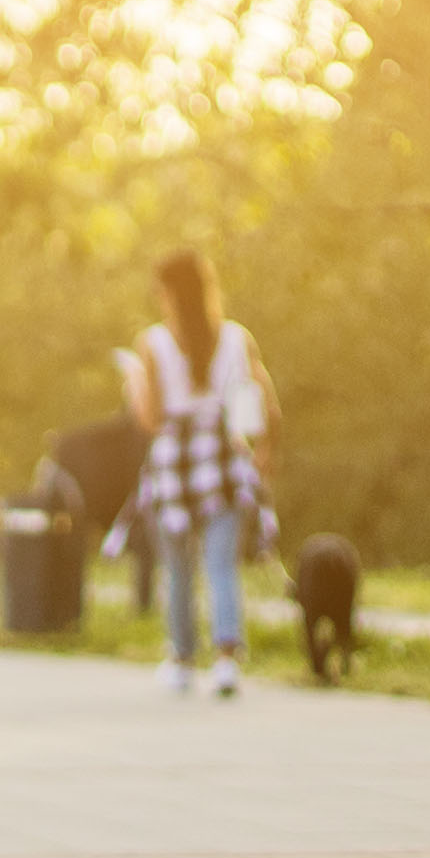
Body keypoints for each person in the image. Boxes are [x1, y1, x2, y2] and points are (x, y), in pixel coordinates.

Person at [115, 250, 276, 698]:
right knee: (221, 563)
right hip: (223, 452)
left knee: (178, 565)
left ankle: (182, 659)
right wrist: (261, 452)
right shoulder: (237, 339)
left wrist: (132, 382)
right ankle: (226, 660)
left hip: (176, 457)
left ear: (167, 293)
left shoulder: (153, 344)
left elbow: (150, 418)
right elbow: (262, 403)